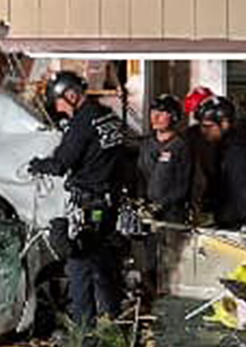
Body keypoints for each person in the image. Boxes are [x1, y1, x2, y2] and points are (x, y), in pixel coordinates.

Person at [27, 68, 127, 324]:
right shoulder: (108, 116)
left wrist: (38, 165)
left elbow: (61, 164)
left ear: (71, 95)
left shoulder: (83, 123)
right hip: (109, 202)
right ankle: (113, 315)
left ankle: (84, 329)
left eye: (59, 103)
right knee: (102, 259)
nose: (60, 109)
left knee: (78, 263)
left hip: (90, 203)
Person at [196, 96, 246, 229]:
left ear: (225, 124)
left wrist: (230, 221)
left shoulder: (236, 151)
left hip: (238, 226)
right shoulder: (226, 145)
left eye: (208, 126)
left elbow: (245, 195)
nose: (203, 131)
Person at [136, 94, 195, 221]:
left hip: (173, 214)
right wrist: (141, 202)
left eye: (162, 113)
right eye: (153, 112)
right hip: (148, 214)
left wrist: (162, 204)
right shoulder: (146, 144)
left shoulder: (181, 146)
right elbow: (141, 176)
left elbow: (185, 184)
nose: (155, 117)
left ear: (174, 117)